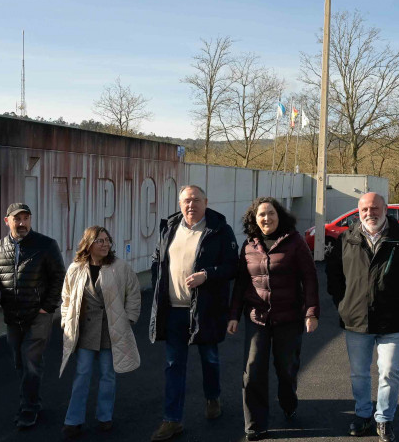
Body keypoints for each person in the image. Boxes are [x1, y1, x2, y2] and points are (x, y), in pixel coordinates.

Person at [326, 192, 399, 442]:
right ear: (359, 211)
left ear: (385, 209)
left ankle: (384, 419)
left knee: (389, 371)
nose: (370, 213)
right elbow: (334, 276)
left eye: (375, 208)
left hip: (393, 321)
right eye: (365, 209)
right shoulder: (347, 239)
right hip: (355, 320)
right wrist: (343, 305)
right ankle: (362, 414)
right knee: (359, 373)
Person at [148, 185, 239, 441]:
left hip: (206, 311)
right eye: (186, 201)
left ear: (205, 202)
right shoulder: (170, 227)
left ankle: (212, 398)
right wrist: (159, 284)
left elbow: (233, 266)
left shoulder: (220, 229)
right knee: (173, 365)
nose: (191, 205)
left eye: (196, 200)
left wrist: (207, 275)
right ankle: (172, 420)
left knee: (209, 359)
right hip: (174, 311)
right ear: (180, 203)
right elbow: (158, 260)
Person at [227, 197, 320, 441]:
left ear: (279, 216)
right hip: (257, 317)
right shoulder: (248, 246)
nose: (266, 218)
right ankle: (255, 424)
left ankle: (288, 400)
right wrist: (234, 315)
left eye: (271, 214)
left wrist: (311, 312)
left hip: (288, 317)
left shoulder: (295, 242)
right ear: (254, 219)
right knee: (253, 369)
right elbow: (241, 283)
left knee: (286, 369)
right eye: (261, 215)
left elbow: (309, 278)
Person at [0, 202, 66, 429]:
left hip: (39, 316)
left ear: (30, 220)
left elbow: (59, 277)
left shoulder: (46, 245)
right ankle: (33, 401)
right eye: (17, 219)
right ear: (7, 221)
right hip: (12, 318)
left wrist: (48, 307)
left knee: (30, 360)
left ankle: (28, 410)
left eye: (26, 218)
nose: (22, 223)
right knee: (20, 363)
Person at [58, 226, 141, 439]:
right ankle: (73, 421)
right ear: (89, 244)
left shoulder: (120, 267)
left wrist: (130, 318)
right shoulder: (76, 268)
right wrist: (66, 322)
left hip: (110, 329)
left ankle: (105, 417)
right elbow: (66, 297)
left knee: (108, 374)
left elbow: (133, 292)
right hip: (85, 330)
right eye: (100, 241)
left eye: (107, 240)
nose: (105, 244)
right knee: (82, 374)